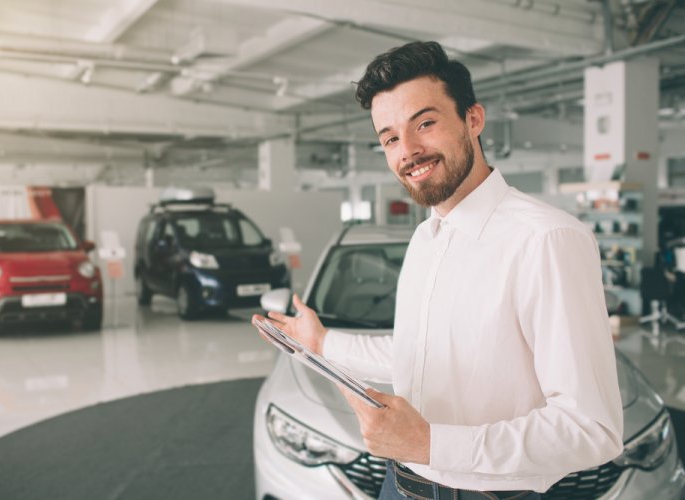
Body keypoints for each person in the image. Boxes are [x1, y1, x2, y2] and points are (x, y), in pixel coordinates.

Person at [253, 41, 623, 499]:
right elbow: (417, 354)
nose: (407, 150)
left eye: (424, 123)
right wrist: (322, 342)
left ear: (473, 119)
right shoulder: (426, 240)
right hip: (400, 483)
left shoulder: (546, 239)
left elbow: (592, 428)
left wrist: (431, 443)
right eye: (389, 138)